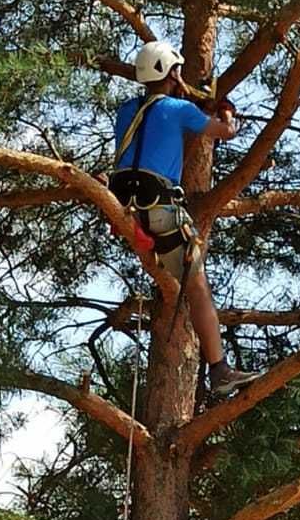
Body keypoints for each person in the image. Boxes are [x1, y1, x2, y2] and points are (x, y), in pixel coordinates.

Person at [110, 39, 265, 399]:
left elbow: (151, 138)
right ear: (171, 73)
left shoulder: (125, 111)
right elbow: (226, 132)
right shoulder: (178, 109)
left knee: (174, 266)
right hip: (162, 210)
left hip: (129, 210)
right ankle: (220, 370)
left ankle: (155, 252)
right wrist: (223, 109)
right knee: (197, 289)